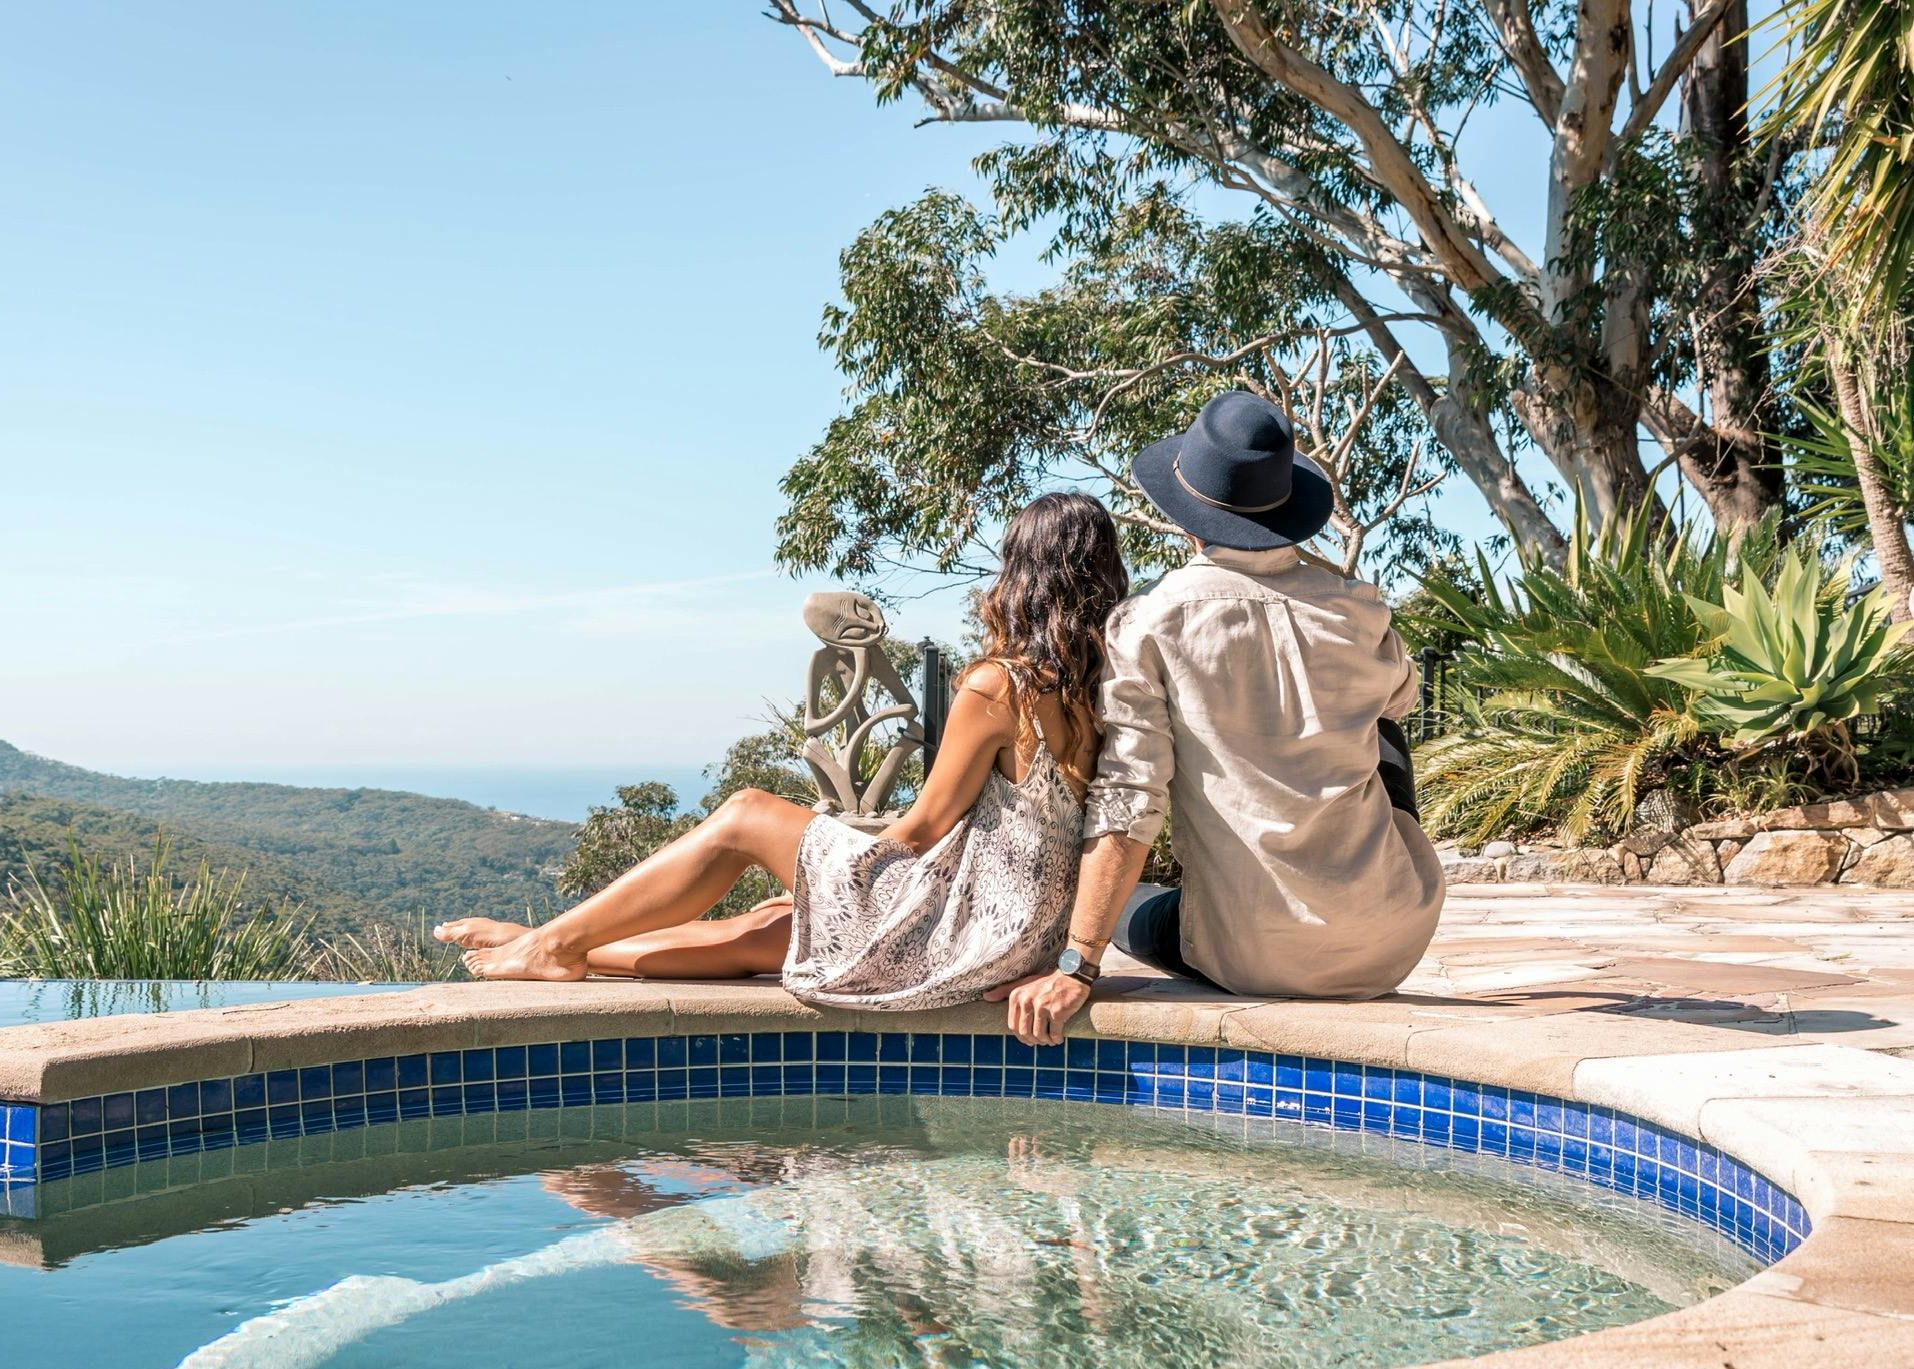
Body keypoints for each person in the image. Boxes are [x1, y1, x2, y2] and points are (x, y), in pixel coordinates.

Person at [435, 492, 1130, 1006]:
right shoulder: (1113, 690)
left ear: (1022, 576)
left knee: (745, 814)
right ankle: (554, 942)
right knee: (769, 930)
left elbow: (925, 826)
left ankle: (553, 944)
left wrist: (823, 859)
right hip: (1023, 936)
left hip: (963, 934)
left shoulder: (998, 686)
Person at [993, 390, 1445, 1046]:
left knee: (1134, 919)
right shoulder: (1359, 609)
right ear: (1287, 508)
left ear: (1188, 514)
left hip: (1254, 956)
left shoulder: (1149, 622)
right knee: (1383, 725)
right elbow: (1401, 698)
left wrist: (1077, 962)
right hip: (1392, 938)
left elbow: (1129, 800)